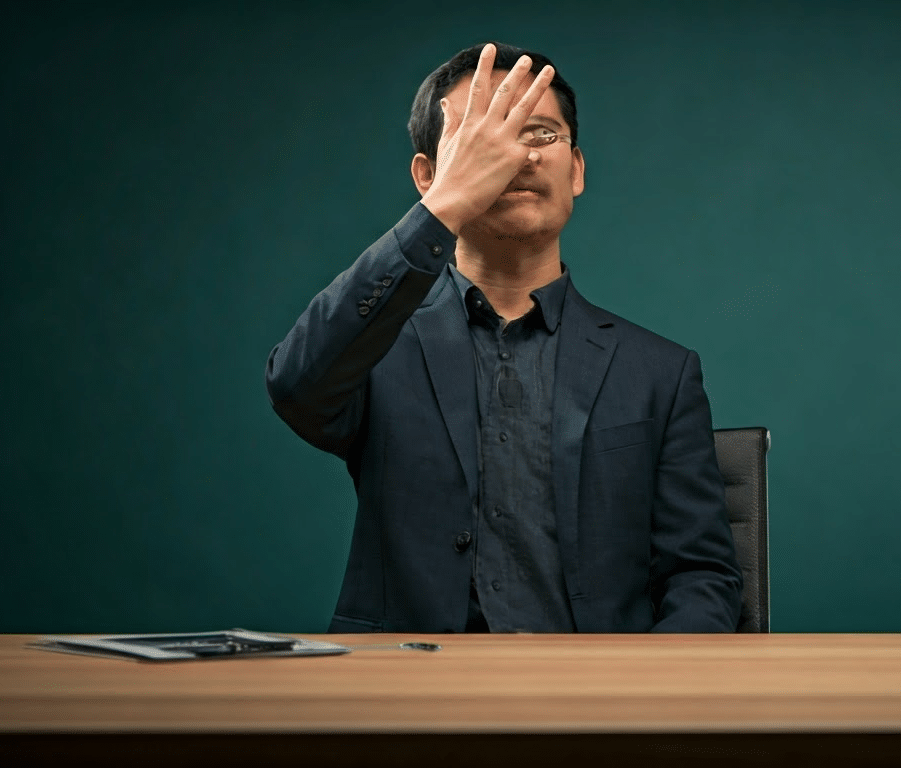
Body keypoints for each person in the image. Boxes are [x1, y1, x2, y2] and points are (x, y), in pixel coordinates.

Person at [265, 42, 743, 633]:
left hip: (597, 707)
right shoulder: (375, 344)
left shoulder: (660, 374)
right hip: (407, 701)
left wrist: (638, 703)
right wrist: (443, 209)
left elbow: (701, 576)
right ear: (428, 176)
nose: (516, 155)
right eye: (482, 139)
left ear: (577, 169)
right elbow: (296, 385)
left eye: (540, 134)